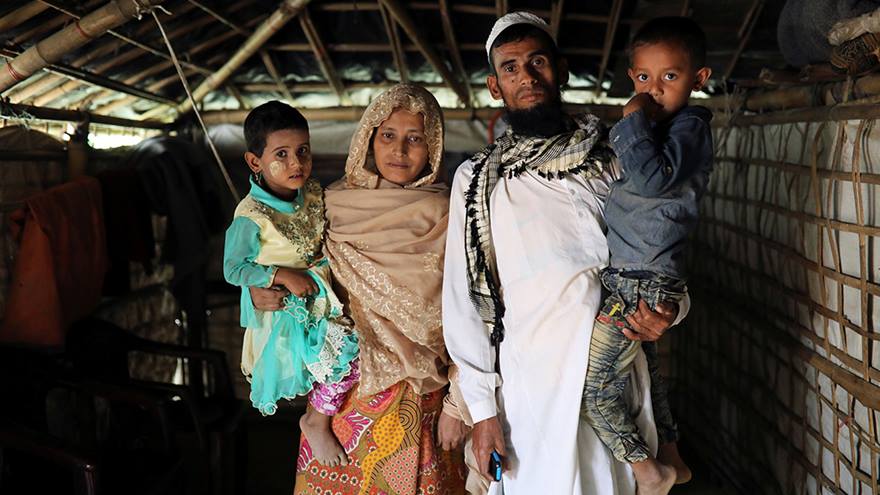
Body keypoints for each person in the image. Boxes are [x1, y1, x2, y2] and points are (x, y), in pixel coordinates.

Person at [442, 12, 690, 495]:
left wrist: (672, 310)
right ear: (495, 86)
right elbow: (462, 300)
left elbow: (662, 249)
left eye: (537, 62)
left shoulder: (618, 156)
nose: (527, 78)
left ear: (563, 69)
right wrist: (483, 414)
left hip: (614, 372)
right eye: (510, 68)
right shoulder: (475, 181)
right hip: (528, 386)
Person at [250, 85, 468, 494]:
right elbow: (297, 264)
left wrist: (462, 401)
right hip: (345, 393)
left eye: (415, 138)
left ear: (434, 145)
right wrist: (260, 292)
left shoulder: (449, 209)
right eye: (387, 135)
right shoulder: (331, 203)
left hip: (422, 391)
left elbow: (472, 309)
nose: (399, 150)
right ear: (368, 136)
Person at [579, 16, 713, 495]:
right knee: (650, 376)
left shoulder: (689, 127)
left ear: (699, 80)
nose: (653, 89)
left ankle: (646, 469)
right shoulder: (667, 131)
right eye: (642, 78)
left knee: (594, 390)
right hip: (635, 275)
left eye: (669, 77)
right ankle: (673, 454)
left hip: (639, 280)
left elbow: (654, 180)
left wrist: (632, 117)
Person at [223, 101, 359, 467]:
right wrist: (281, 275)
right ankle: (316, 421)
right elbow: (234, 269)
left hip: (321, 294)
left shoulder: (313, 193)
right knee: (348, 352)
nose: (296, 163)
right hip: (289, 312)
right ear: (255, 162)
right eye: (281, 154)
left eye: (303, 151)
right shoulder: (251, 215)